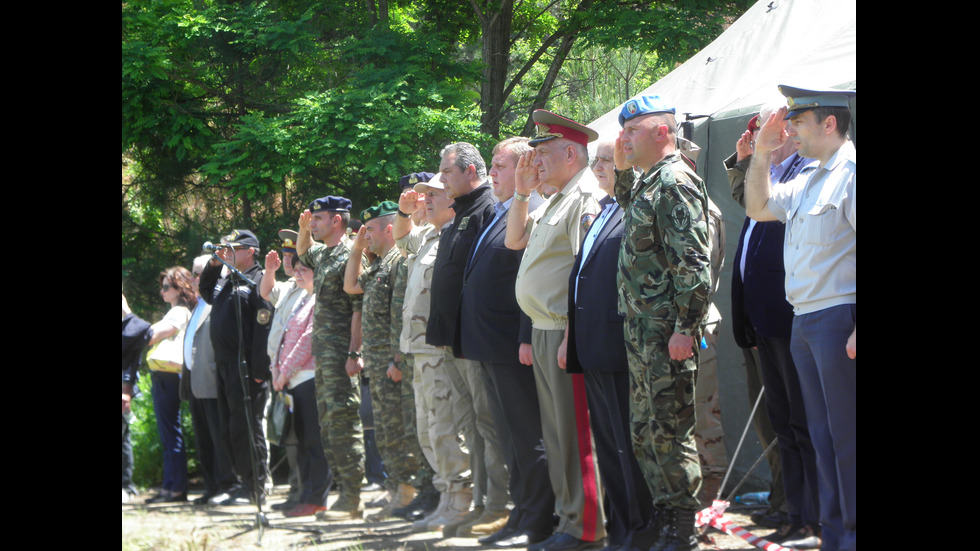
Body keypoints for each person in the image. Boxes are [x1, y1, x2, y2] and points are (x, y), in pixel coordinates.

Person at [743, 85, 856, 551]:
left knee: (847, 438)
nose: (789, 130)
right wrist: (761, 157)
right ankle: (835, 534)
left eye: (799, 122)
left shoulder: (850, 173)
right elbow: (758, 207)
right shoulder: (811, 176)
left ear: (829, 123)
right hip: (805, 319)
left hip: (838, 317)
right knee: (824, 436)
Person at [612, 95, 712, 551]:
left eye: (632, 131)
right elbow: (633, 216)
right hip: (642, 330)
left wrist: (685, 330)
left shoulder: (675, 181)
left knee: (670, 430)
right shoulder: (650, 181)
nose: (623, 139)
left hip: (666, 330)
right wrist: (620, 170)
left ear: (661, 133)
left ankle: (683, 525)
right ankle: (665, 513)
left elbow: (693, 264)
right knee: (646, 430)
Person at [506, 109, 606, 551]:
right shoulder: (555, 198)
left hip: (565, 331)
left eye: (543, 153)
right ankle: (569, 520)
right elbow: (514, 241)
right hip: (545, 329)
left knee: (574, 433)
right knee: (557, 432)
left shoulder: (585, 197)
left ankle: (585, 526)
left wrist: (573, 334)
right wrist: (523, 194)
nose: (536, 162)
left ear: (571, 152)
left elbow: (586, 272)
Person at [726, 106, 822, 548]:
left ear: (787, 131)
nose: (759, 135)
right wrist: (750, 163)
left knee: (804, 424)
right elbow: (748, 207)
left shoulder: (807, 173)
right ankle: (793, 510)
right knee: (783, 423)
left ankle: (813, 517)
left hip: (793, 318)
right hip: (763, 320)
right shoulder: (770, 174)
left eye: (766, 128)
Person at [558, 139, 658, 551]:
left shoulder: (635, 207)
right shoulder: (603, 210)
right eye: (596, 160)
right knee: (609, 445)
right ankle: (620, 528)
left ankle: (640, 530)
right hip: (593, 343)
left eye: (607, 160)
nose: (599, 166)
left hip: (621, 345)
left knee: (628, 444)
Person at [456, 136, 556, 548]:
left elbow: (528, 284)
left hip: (513, 345)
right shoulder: (501, 213)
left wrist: (525, 337)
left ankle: (538, 518)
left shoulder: (530, 211)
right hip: (490, 346)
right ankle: (521, 512)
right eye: (494, 166)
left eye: (500, 165)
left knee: (528, 434)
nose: (492, 173)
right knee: (510, 438)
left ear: (525, 168)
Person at [427, 142, 510, 537]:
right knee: (470, 424)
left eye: (446, 172)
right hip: (452, 339)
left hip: (475, 338)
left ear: (469, 171)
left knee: (489, 423)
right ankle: (479, 503)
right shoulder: (461, 211)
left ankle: (499, 504)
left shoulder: (488, 209)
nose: (442, 180)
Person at [393, 173, 474, 532]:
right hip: (419, 350)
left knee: (446, 429)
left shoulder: (459, 233)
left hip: (440, 348)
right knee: (428, 431)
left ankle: (462, 498)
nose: (425, 200)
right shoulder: (428, 236)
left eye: (433, 194)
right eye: (422, 196)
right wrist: (402, 211)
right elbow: (400, 238)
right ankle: (446, 495)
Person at [344, 201, 424, 520]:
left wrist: (396, 359)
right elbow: (351, 286)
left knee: (398, 431)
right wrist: (356, 248)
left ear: (389, 230)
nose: (365, 236)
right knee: (386, 431)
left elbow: (399, 316)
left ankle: (407, 492)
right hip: (377, 366)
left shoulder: (398, 263)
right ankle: (396, 489)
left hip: (391, 364)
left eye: (370, 230)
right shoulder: (378, 265)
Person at [296, 196, 366, 520]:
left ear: (337, 220)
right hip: (324, 355)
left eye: (319, 219)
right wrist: (302, 228)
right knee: (328, 426)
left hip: (341, 355)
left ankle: (353, 498)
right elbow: (301, 252)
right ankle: (344, 496)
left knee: (344, 424)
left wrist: (355, 351)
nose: (314, 223)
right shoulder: (323, 254)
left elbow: (358, 309)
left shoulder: (352, 254)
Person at [198, 229, 274, 506]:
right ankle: (243, 482)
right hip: (225, 367)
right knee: (230, 429)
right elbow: (206, 291)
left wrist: (258, 371)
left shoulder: (257, 281)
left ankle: (257, 485)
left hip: (246, 367)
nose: (227, 252)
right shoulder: (228, 280)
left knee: (247, 428)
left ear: (250, 251)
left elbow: (262, 328)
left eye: (233, 248)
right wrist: (215, 263)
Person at [269, 253, 334, 517]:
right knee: (303, 441)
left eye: (303, 269)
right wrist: (277, 370)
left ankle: (317, 496)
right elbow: (284, 336)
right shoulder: (301, 299)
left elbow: (307, 341)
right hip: (292, 380)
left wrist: (283, 372)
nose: (297, 273)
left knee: (314, 442)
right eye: (295, 269)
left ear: (317, 272)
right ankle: (306, 495)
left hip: (308, 378)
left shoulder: (319, 299)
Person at [181, 255, 237, 507]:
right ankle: (211, 486)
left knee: (220, 438)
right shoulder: (199, 304)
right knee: (204, 440)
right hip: (195, 383)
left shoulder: (219, 301)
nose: (194, 279)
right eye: (194, 273)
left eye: (198, 273)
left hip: (215, 381)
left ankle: (228, 485)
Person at [260, 230, 307, 511]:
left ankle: (304, 489)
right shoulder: (289, 287)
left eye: (293, 256)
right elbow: (266, 291)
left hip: (298, 371)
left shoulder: (307, 288)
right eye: (286, 256)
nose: (288, 261)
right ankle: (296, 487)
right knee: (289, 435)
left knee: (301, 435)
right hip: (282, 373)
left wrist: (284, 369)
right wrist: (270, 270)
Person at [144, 266, 196, 503]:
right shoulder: (180, 311)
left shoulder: (178, 312)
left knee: (169, 432)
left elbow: (149, 336)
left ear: (179, 288)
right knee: (169, 432)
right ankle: (170, 486)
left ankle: (175, 487)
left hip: (167, 376)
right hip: (168, 375)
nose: (162, 292)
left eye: (166, 287)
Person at [122, 292, 152, 503]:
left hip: (122, 387)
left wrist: (126, 390)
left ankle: (126, 486)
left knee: (122, 438)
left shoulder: (133, 329)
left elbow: (132, 364)